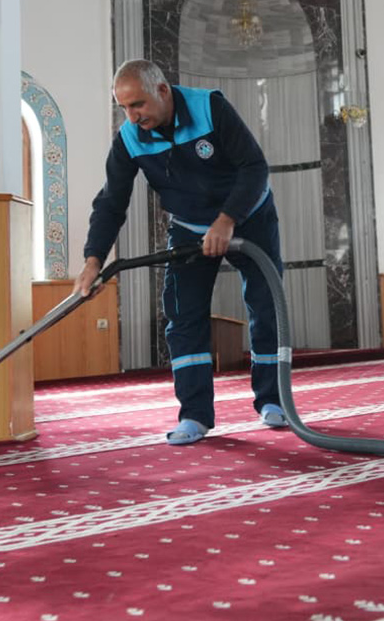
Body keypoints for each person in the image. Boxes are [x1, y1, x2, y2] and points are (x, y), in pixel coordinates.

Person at [74, 59, 287, 445]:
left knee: (265, 304)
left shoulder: (210, 108)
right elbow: (110, 203)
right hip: (188, 227)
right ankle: (194, 415)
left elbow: (254, 167)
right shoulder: (129, 138)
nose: (132, 116)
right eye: (123, 107)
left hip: (248, 218)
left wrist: (227, 220)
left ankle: (273, 401)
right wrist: (93, 261)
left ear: (162, 91)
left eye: (137, 104)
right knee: (183, 316)